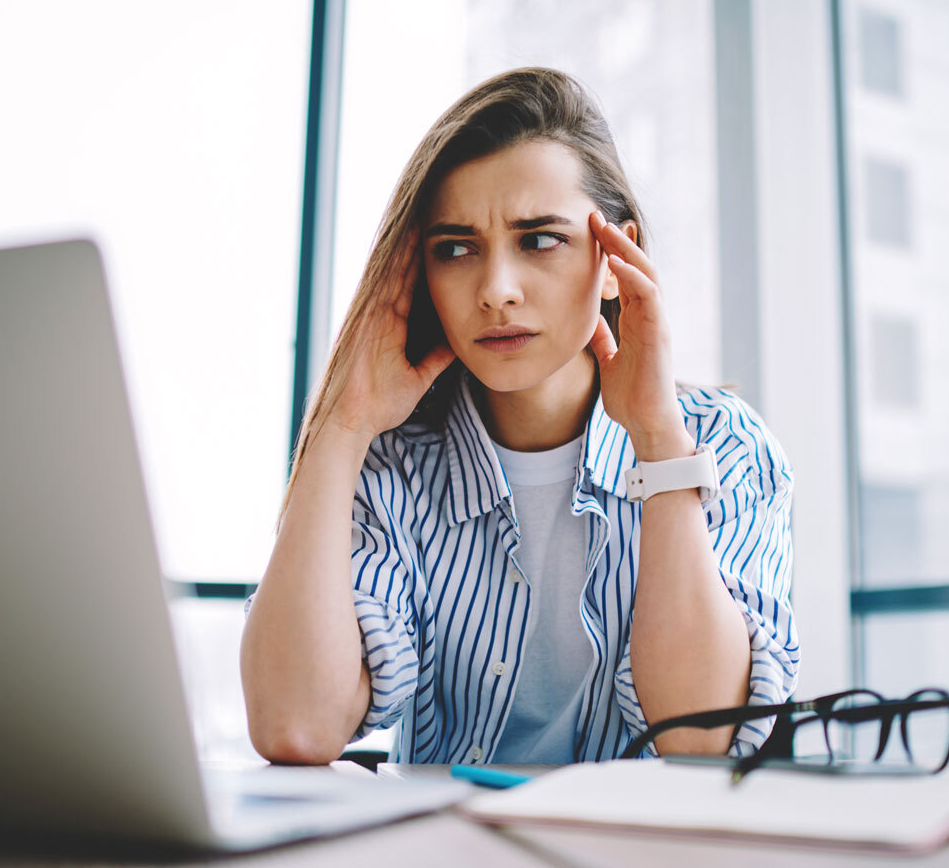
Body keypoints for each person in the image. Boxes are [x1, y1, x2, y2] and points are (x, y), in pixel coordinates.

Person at [240, 67, 798, 766]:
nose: (496, 291)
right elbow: (295, 725)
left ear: (614, 258)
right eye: (455, 248)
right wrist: (343, 424)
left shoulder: (724, 443)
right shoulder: (393, 460)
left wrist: (659, 441)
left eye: (538, 240)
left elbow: (699, 737)